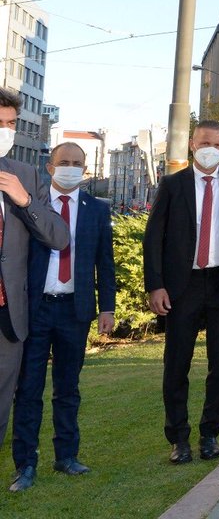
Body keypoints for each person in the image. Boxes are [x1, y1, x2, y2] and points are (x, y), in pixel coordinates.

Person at [142, 120, 219, 464]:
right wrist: (156, 285)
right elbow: (154, 239)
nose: (212, 148)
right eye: (206, 141)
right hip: (183, 286)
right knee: (176, 364)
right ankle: (178, 439)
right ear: (193, 144)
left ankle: (210, 434)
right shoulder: (172, 185)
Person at [9, 143, 115, 492]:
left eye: (77, 163)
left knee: (68, 388)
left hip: (75, 310)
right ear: (49, 167)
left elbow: (105, 263)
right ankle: (25, 464)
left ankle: (66, 456)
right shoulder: (29, 204)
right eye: (63, 162)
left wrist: (107, 307)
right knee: (29, 389)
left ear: (86, 169)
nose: (70, 168)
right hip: (35, 309)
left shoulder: (98, 210)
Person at [0, 89, 70, 477]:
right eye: (1, 124)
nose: (6, 131)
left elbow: (59, 237)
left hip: (8, 316)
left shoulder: (24, 175)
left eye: (10, 124)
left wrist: (25, 201)